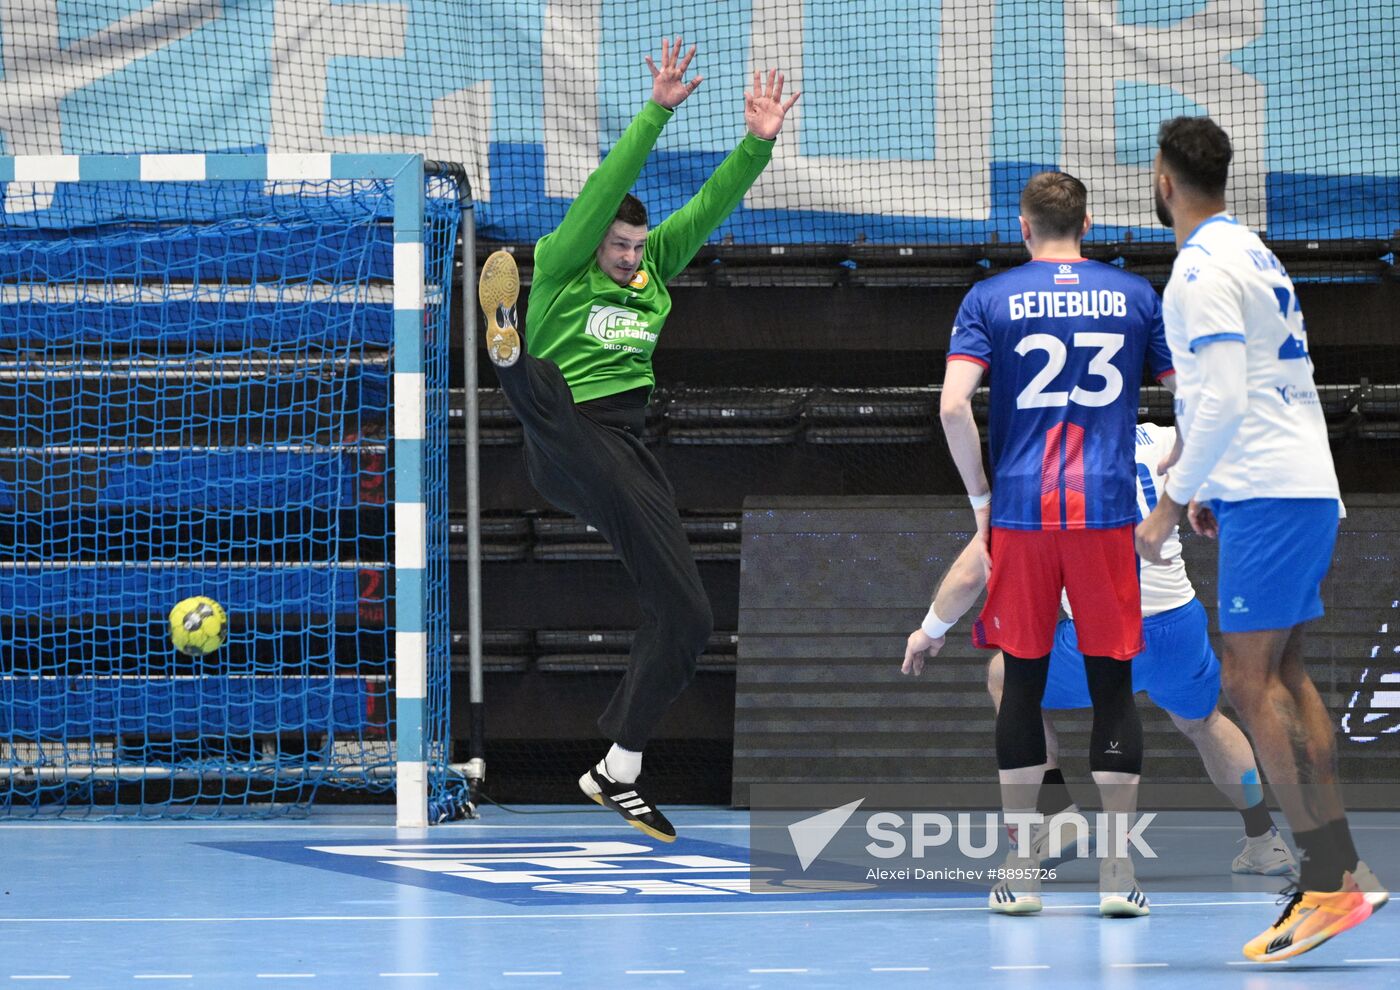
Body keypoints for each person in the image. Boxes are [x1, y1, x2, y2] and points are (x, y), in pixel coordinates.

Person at [475, 38, 799, 843]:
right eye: (615, 247)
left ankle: (617, 766)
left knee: (687, 616)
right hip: (561, 429)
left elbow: (709, 207)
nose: (626, 258)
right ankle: (506, 345)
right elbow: (607, 188)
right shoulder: (561, 265)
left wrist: (754, 145)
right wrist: (656, 112)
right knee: (543, 388)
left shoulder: (651, 269)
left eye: (632, 248)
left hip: (624, 452)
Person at [1134, 115, 1386, 961]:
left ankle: (1324, 882)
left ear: (1164, 180)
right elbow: (1236, 393)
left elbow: (1226, 399)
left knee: (1245, 681)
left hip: (1274, 489)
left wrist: (1170, 501)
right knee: (1280, 671)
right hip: (1293, 483)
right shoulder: (1255, 251)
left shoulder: (1199, 270)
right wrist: (1212, 486)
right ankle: (1344, 872)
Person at [905, 421, 1298, 882]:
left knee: (1006, 675)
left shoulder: (1042, 463)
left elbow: (974, 572)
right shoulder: (1162, 437)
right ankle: (1264, 841)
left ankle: (1059, 820)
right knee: (1204, 721)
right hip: (1179, 624)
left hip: (1108, 632)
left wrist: (929, 629)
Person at [938, 171, 1175, 917]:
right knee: (1112, 687)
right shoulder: (1136, 295)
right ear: (1089, 221)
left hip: (1023, 512)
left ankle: (1020, 870)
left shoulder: (989, 298)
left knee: (1022, 681)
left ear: (1023, 228)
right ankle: (1117, 876)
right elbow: (1192, 397)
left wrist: (982, 499)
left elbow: (951, 407)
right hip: (1106, 513)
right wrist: (1178, 485)